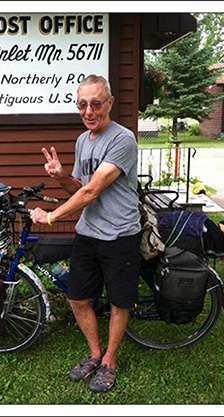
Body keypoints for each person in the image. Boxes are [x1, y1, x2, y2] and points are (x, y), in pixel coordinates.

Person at [30, 74, 141, 393]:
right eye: (82, 105)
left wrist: (51, 216)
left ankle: (109, 361)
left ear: (109, 103)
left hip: (120, 234)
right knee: (77, 297)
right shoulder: (83, 141)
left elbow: (92, 191)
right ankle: (94, 354)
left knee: (120, 303)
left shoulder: (123, 139)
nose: (89, 111)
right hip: (89, 233)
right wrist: (62, 176)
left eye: (95, 103)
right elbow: (79, 187)